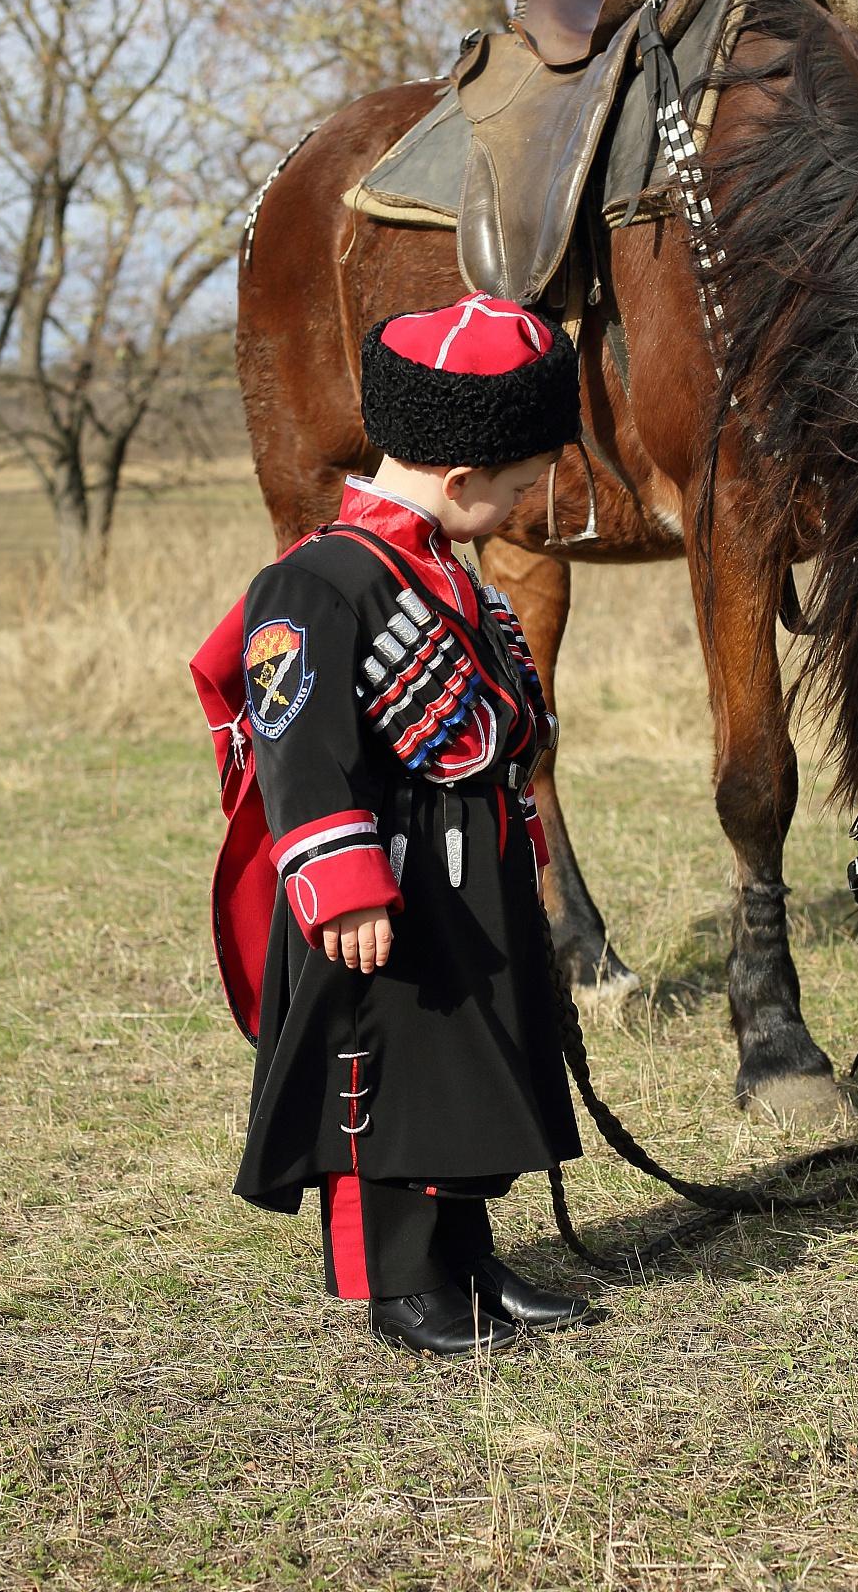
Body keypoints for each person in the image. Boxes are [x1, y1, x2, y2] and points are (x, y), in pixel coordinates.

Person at [191, 292, 601, 1358]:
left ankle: (466, 1256)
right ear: (459, 479)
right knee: (384, 1084)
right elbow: (298, 746)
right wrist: (344, 885)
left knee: (468, 1066)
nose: (520, 508)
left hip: (472, 869)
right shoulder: (316, 579)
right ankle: (402, 1279)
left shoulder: (435, 565)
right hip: (384, 887)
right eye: (513, 489)